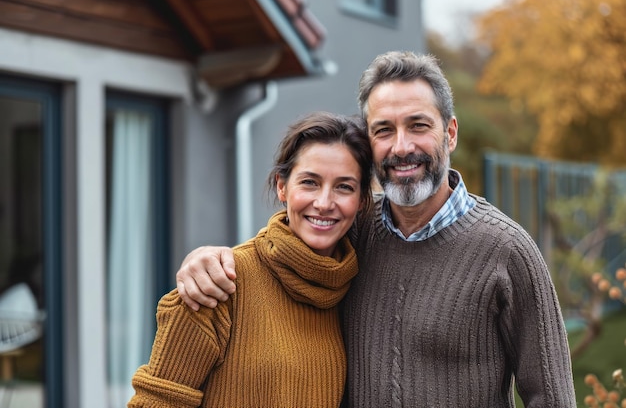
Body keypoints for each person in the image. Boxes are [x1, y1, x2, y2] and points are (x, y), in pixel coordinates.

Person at [175, 51, 577, 407]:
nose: (401, 146)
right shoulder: (352, 234)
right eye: (384, 129)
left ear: (450, 133)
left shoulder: (507, 252)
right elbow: (282, 247)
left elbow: (552, 398)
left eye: (418, 125)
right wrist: (206, 258)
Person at [127, 111, 373, 407]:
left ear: (361, 201)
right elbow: (156, 402)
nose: (323, 203)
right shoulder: (218, 282)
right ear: (282, 187)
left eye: (344, 187)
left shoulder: (354, 287)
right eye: (309, 182)